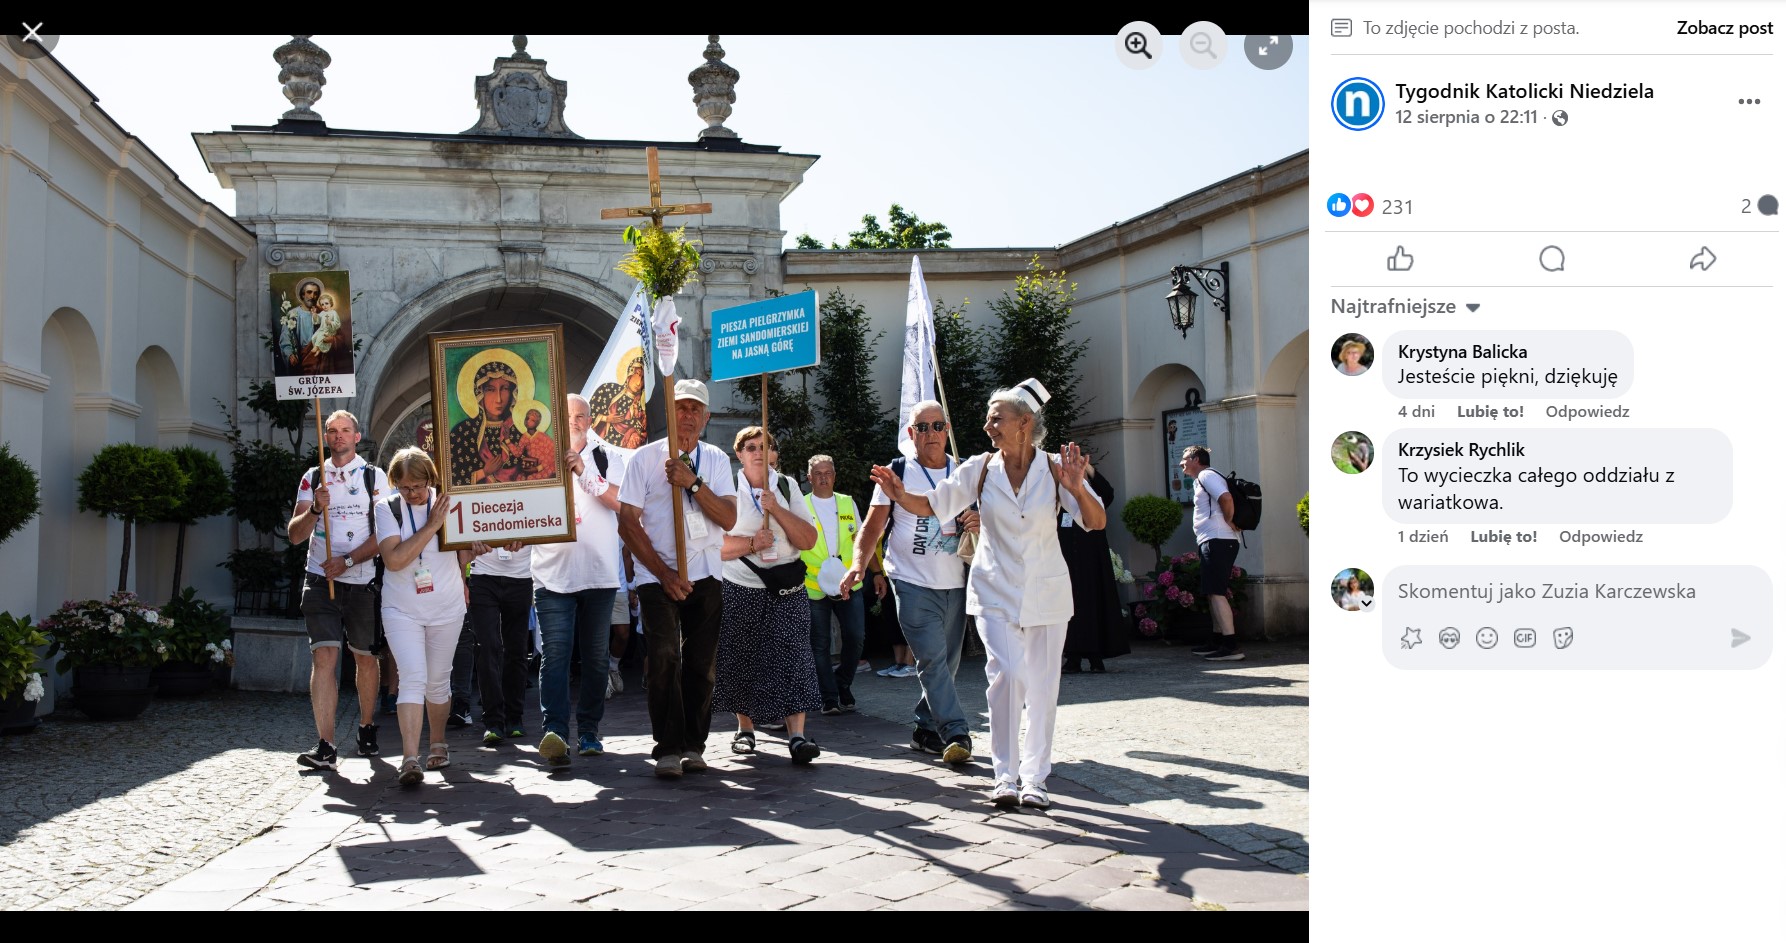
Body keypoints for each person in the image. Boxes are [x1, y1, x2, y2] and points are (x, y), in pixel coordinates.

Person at [869, 379, 1107, 810]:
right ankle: (1004, 775)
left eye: (996, 417)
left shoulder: (1055, 469)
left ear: (1024, 423)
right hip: (994, 588)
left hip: (1047, 594)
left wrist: (1074, 488)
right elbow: (933, 503)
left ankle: (1035, 779)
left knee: (1042, 687)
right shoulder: (979, 468)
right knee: (1008, 678)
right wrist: (899, 493)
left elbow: (1096, 520)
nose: (987, 425)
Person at [841, 400, 981, 766]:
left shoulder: (963, 472)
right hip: (910, 581)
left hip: (955, 582)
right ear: (910, 434)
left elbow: (991, 517)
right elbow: (871, 528)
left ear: (946, 430)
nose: (930, 434)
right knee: (932, 660)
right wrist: (858, 565)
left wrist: (980, 520)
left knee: (946, 665)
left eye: (937, 426)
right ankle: (956, 731)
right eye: (922, 427)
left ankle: (924, 728)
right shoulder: (896, 473)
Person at [617, 379, 738, 778]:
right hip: (658, 577)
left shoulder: (717, 460)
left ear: (705, 418)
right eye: (680, 408)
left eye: (694, 409)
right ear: (669, 414)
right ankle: (667, 746)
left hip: (705, 573)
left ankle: (693, 744)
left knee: (702, 663)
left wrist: (693, 482)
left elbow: (728, 517)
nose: (687, 415)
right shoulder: (643, 459)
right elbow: (627, 523)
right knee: (665, 657)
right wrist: (663, 573)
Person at [714, 428, 824, 763]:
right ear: (739, 453)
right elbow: (714, 546)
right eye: (751, 447)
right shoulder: (726, 489)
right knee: (740, 656)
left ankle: (798, 736)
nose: (759, 452)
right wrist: (751, 544)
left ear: (774, 453)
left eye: (765, 447)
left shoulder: (787, 486)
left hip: (786, 588)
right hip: (740, 584)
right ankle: (745, 729)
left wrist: (775, 508)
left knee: (793, 656)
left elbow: (807, 539)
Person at [290, 410, 391, 771]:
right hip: (318, 580)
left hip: (360, 582)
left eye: (345, 430)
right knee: (324, 658)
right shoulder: (313, 477)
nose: (338, 437)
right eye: (331, 431)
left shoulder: (373, 478)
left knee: (365, 656)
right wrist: (316, 508)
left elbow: (386, 536)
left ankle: (366, 726)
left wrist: (347, 561)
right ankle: (326, 744)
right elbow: (295, 534)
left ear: (357, 435)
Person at [531, 394, 627, 765]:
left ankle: (589, 731)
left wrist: (584, 473)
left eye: (581, 415)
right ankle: (554, 731)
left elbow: (621, 501)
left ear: (590, 420)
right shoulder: (536, 457)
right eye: (568, 415)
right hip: (552, 574)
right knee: (554, 655)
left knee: (596, 658)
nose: (574, 421)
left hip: (599, 575)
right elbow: (522, 506)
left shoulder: (607, 457)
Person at [373, 447, 474, 786]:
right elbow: (396, 560)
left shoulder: (449, 501)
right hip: (401, 607)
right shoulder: (386, 508)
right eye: (405, 487)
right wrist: (432, 525)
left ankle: (438, 742)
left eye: (418, 485)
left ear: (430, 478)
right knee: (412, 676)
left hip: (446, 604)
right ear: (395, 484)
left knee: (437, 681)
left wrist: (476, 551)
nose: (412, 493)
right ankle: (409, 758)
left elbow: (465, 548)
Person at [800, 455, 867, 714]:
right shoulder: (801, 506)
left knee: (856, 636)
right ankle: (828, 697)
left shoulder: (847, 502)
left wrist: (874, 572)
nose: (824, 477)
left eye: (828, 472)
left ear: (835, 476)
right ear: (809, 478)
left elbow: (862, 539)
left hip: (847, 583)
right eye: (818, 473)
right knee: (820, 643)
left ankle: (842, 683)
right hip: (813, 585)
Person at [1059, 462, 1131, 674]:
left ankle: (1095, 657)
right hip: (1066, 562)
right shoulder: (1057, 496)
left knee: (1094, 604)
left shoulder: (1093, 495)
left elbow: (1107, 493)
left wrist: (1087, 469)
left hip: (1092, 562)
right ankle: (1072, 657)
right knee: (1069, 609)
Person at [466, 531, 532, 743]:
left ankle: (514, 717)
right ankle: (493, 720)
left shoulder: (532, 495)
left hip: (522, 576)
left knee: (517, 650)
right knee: (486, 647)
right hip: (483, 575)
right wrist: (461, 575)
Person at [1181, 446, 1244, 662]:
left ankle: (1230, 645)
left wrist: (1228, 521)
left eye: (1184, 459)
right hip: (1214, 540)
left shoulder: (1207, 474)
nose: (1181, 463)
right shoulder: (1202, 478)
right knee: (1212, 591)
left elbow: (1226, 498)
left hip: (1219, 540)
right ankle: (1217, 640)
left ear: (1195, 459)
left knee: (1217, 592)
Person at [448, 361, 526, 486]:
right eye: (491, 389)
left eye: (505, 389)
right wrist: (483, 472)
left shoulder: (519, 431)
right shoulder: (462, 432)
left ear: (513, 393)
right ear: (480, 393)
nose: (499, 399)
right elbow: (452, 478)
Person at [510, 406, 558, 481]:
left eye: (532, 420)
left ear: (537, 423)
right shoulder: (524, 437)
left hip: (545, 467)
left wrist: (537, 468)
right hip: (531, 466)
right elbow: (518, 453)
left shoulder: (543, 437)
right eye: (527, 418)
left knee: (530, 479)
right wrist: (507, 440)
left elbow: (552, 454)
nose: (528, 421)